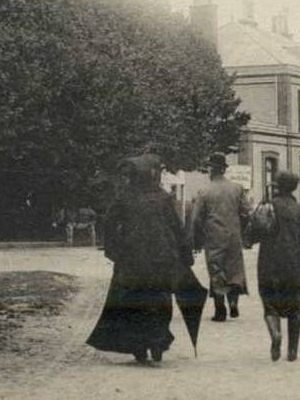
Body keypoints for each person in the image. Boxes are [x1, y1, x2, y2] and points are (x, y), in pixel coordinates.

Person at [86, 156, 194, 363]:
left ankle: (138, 346)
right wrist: (185, 254)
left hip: (131, 259)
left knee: (134, 300)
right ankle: (157, 341)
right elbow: (177, 229)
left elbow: (109, 224)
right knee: (160, 299)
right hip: (160, 259)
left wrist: (113, 249)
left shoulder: (125, 196)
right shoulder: (163, 197)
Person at [250, 170, 300, 362]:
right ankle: (292, 351)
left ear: (277, 186)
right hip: (295, 264)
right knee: (295, 307)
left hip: (268, 263)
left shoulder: (267, 207)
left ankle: (275, 334)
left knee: (270, 304)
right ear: (295, 187)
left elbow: (251, 235)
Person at [191, 153, 251, 322]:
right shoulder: (237, 188)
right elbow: (246, 212)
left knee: (216, 269)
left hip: (213, 236)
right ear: (224, 169)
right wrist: (241, 229)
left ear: (211, 169)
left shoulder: (204, 191)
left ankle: (220, 310)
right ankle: (233, 302)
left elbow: (196, 219)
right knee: (234, 269)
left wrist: (197, 238)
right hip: (233, 235)